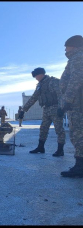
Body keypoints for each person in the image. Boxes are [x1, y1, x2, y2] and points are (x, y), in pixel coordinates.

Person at [21, 67, 65, 156]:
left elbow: (60, 94)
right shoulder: (39, 85)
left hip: (56, 108)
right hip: (46, 109)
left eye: (36, 76)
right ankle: (41, 147)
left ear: (41, 74)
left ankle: (60, 150)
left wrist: (61, 108)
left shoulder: (53, 81)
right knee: (43, 129)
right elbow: (33, 98)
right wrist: (23, 110)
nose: (35, 78)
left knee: (59, 129)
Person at [58, 35, 83, 177]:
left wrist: (67, 100)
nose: (65, 50)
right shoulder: (77, 57)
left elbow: (76, 78)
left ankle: (80, 167)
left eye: (66, 47)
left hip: (78, 105)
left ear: (73, 46)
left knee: (78, 134)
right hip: (77, 102)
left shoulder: (78, 57)